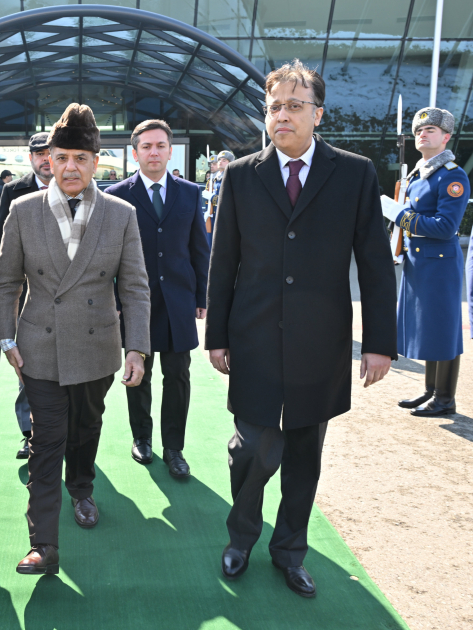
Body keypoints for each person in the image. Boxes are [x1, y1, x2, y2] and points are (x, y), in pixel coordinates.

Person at [206, 60, 396, 598]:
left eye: (294, 105)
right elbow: (224, 262)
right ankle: (241, 537)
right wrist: (216, 335)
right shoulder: (242, 175)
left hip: (320, 343)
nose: (282, 115)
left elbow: (375, 263)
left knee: (304, 456)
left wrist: (380, 344)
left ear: (318, 113)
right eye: (274, 107)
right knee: (252, 449)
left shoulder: (354, 173)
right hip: (255, 337)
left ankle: (289, 551)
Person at [0, 103, 151, 575]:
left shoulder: (121, 214)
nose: (69, 167)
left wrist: (137, 348)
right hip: (39, 348)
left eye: (80, 158)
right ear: (49, 159)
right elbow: (6, 282)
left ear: (96, 162)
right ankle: (43, 543)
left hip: (96, 347)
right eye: (61, 157)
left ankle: (81, 488)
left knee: (86, 428)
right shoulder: (22, 210)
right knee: (47, 440)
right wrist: (6, 338)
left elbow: (135, 287)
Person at [106, 120, 210, 476]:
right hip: (136, 302)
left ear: (170, 151)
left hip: (179, 300)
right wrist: (115, 302)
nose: (154, 152)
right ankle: (142, 438)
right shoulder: (117, 195)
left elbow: (199, 249)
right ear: (135, 153)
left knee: (178, 376)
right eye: (147, 146)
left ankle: (174, 448)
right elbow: (109, 255)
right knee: (139, 373)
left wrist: (202, 294)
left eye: (160, 145)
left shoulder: (190, 192)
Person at [382, 107, 469, 417]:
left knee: (444, 329)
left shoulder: (452, 175)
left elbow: (445, 226)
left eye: (430, 130)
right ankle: (431, 391)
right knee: (431, 327)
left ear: (446, 137)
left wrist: (402, 217)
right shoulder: (419, 173)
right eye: (419, 130)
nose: (422, 134)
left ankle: (445, 399)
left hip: (440, 263)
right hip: (420, 261)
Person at [0, 132, 52, 459]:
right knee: (27, 370)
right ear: (30, 158)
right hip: (27, 299)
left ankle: (64, 433)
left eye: (50, 152)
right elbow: (0, 244)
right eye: (39, 154)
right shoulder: (13, 191)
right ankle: (29, 435)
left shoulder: (78, 186)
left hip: (68, 299)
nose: (46, 159)